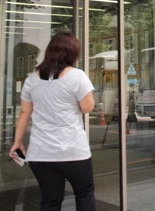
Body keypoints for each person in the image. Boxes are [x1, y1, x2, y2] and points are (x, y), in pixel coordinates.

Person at [10, 32, 96, 211]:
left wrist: (17, 142)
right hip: (73, 151)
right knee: (84, 194)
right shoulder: (77, 76)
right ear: (73, 52)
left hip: (41, 153)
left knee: (50, 200)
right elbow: (87, 107)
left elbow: (25, 112)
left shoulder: (32, 79)